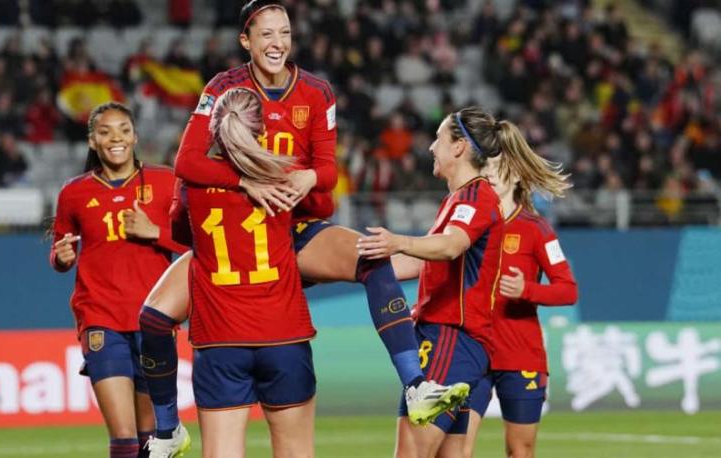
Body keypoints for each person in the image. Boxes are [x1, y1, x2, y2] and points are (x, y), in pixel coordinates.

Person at [139, 2, 464, 453]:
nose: (277, 44)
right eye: (266, 34)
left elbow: (327, 175)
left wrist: (308, 177)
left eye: (285, 33)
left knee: (372, 258)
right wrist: (248, 182)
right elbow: (186, 162)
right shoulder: (224, 88)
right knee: (154, 316)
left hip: (294, 228)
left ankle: (415, 384)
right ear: (245, 41)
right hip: (240, 228)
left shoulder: (316, 91)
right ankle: (168, 430)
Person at [356, 107, 506, 458]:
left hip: (449, 338)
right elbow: (424, 261)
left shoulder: (474, 196)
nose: (430, 147)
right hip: (463, 344)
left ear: (458, 147)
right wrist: (355, 269)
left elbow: (451, 246)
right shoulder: (458, 200)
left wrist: (398, 241)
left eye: (438, 138)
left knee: (411, 453)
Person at [49, 102, 190, 458]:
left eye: (124, 130)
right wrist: (61, 258)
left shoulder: (165, 181)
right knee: (124, 438)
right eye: (106, 132)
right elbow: (61, 251)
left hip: (153, 319)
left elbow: (197, 241)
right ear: (92, 141)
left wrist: (154, 231)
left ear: (135, 137)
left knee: (149, 439)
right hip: (100, 317)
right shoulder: (73, 192)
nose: (116, 138)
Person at [182, 86, 316, 458]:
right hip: (283, 331)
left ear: (214, 130)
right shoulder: (285, 173)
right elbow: (323, 204)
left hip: (219, 336)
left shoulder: (192, 184)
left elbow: (179, 226)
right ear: (262, 129)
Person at [458, 131, 578, 458]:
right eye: (484, 169)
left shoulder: (535, 229)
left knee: (519, 451)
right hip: (474, 353)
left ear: (516, 176)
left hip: (520, 355)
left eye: (497, 168)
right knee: (456, 449)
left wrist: (526, 290)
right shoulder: (468, 224)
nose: (489, 175)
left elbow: (568, 290)